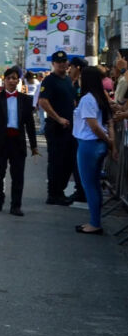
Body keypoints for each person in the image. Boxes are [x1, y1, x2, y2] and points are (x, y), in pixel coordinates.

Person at [0, 68, 39, 216]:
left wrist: (33, 145)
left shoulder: (25, 100)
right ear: (4, 80)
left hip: (18, 142)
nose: (12, 81)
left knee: (18, 175)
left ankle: (16, 205)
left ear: (18, 81)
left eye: (14, 78)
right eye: (9, 78)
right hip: (0, 142)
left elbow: (30, 124)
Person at [73, 66, 117, 235]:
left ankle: (94, 223)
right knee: (95, 184)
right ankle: (94, 220)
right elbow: (109, 123)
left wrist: (108, 140)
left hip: (89, 144)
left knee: (89, 185)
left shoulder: (87, 99)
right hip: (98, 145)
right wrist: (111, 143)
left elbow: (94, 126)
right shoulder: (101, 97)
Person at [38, 51, 79, 206]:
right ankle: (53, 194)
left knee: (68, 161)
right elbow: (43, 101)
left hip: (70, 128)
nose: (62, 64)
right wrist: (58, 118)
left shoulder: (68, 80)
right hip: (55, 127)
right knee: (56, 162)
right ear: (53, 64)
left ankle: (60, 191)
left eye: (64, 61)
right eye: (58, 62)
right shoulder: (49, 80)